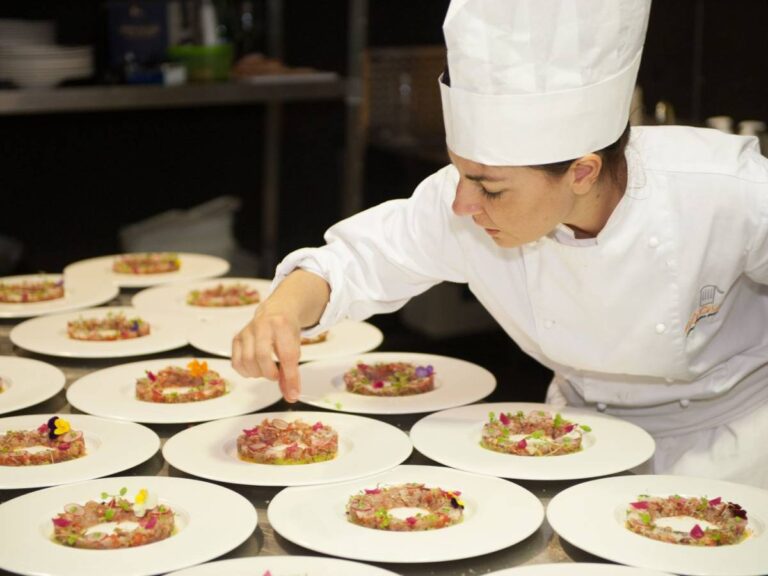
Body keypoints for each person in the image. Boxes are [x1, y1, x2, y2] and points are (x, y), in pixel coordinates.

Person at [232, 0, 768, 488]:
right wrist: (282, 310)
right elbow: (354, 260)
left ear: (582, 172)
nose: (463, 203)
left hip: (735, 449)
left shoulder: (724, 191)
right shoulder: (466, 201)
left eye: (489, 186)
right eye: (459, 173)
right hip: (569, 439)